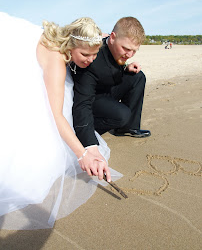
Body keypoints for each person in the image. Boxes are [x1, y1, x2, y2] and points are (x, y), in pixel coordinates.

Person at [0, 12, 121, 230]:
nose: (90, 60)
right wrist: (82, 154)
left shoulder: (70, 40)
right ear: (71, 44)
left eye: (95, 55)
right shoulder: (56, 60)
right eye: (85, 54)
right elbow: (56, 114)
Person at [72, 17, 151, 159]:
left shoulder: (118, 47)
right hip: (94, 97)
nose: (129, 54)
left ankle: (128, 128)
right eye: (126, 49)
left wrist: (126, 68)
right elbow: (83, 103)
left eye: (134, 51)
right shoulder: (91, 59)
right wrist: (89, 144)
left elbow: (113, 67)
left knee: (138, 77)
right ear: (112, 37)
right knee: (122, 114)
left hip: (110, 87)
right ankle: (90, 130)